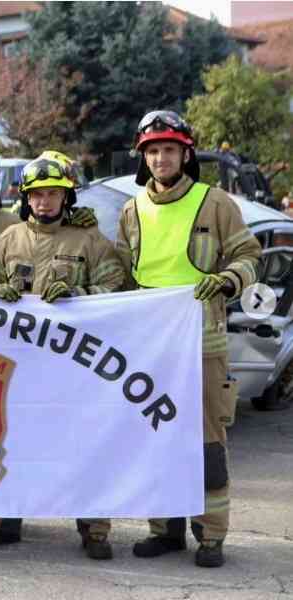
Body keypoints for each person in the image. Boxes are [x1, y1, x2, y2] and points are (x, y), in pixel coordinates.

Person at [117, 110, 261, 568]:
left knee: (206, 441)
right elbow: (119, 276)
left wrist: (227, 280)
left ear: (185, 155)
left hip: (203, 343)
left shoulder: (214, 202)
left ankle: (211, 536)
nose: (161, 158)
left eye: (169, 150)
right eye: (153, 151)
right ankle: (164, 530)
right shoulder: (131, 210)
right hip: (150, 346)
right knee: (154, 436)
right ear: (143, 158)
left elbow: (248, 254)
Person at [0, 152, 125, 559]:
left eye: (53, 194)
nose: (44, 202)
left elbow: (115, 286)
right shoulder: (9, 240)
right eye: (37, 194)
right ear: (27, 198)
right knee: (11, 441)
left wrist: (79, 294)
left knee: (84, 444)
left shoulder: (88, 239)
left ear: (66, 196)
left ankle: (95, 529)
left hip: (74, 365)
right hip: (19, 363)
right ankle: (2, 522)